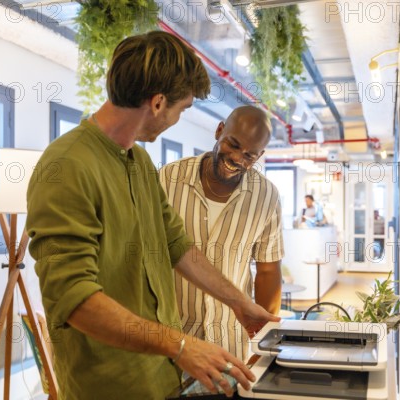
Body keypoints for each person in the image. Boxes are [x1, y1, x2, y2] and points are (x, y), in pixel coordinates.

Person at [26, 31, 278, 400]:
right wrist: (181, 345)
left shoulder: (138, 161)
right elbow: (73, 297)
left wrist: (239, 303)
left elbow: (176, 244)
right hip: (110, 383)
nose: (178, 119)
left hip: (161, 374)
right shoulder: (67, 165)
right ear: (158, 103)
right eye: (182, 109)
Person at [159, 106, 284, 361]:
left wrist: (263, 342)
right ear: (219, 131)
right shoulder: (168, 179)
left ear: (258, 157)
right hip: (174, 339)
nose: (237, 158)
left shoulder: (266, 197)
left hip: (231, 341)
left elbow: (268, 271)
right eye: (233, 144)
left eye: (249, 155)